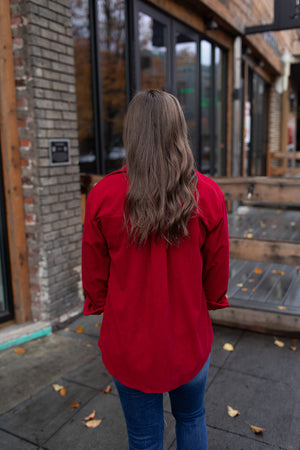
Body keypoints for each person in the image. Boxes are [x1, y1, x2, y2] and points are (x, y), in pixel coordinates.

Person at [82, 89, 230, 449]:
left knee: (145, 438)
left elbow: (94, 271)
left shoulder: (103, 195)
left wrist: (101, 303)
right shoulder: (207, 194)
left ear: (131, 132)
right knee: (192, 418)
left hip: (130, 341)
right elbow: (217, 270)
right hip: (190, 336)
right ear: (179, 129)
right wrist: (211, 300)